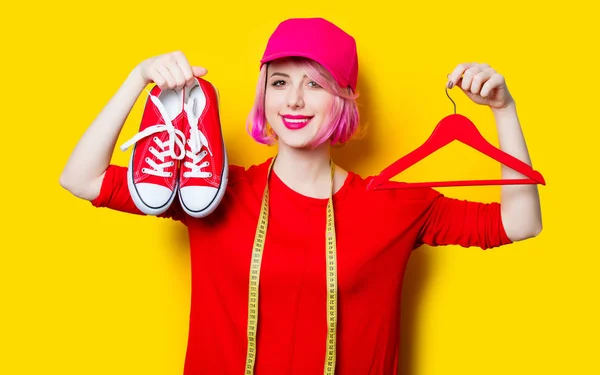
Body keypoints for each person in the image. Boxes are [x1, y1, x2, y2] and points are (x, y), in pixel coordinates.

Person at [59, 17, 542, 375]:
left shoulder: (392, 205)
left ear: (346, 96)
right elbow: (81, 178)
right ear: (263, 95)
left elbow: (520, 224)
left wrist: (504, 110)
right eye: (280, 82)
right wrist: (137, 79)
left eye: (315, 84)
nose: (293, 100)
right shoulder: (213, 191)